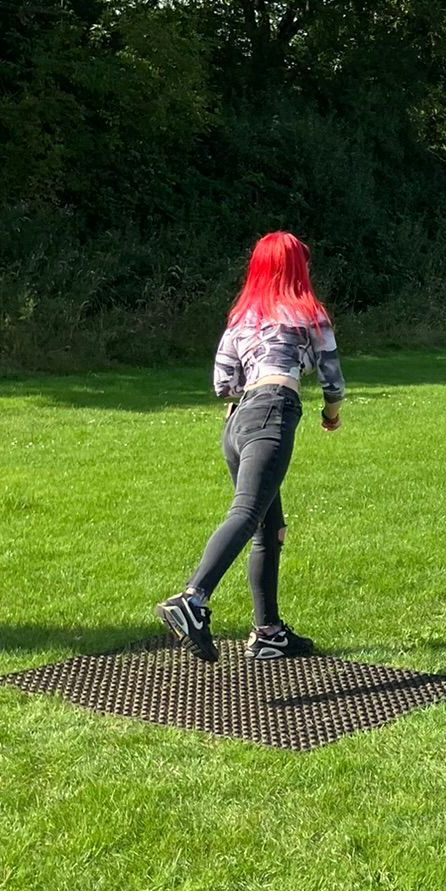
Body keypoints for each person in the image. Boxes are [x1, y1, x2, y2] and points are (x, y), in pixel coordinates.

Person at [156, 231, 345, 664]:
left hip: (239, 421)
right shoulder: (309, 315)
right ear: (298, 268)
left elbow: (224, 382)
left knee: (268, 529)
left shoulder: (242, 319)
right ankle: (192, 599)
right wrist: (331, 415)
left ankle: (268, 633)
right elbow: (333, 381)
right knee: (246, 514)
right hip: (274, 412)